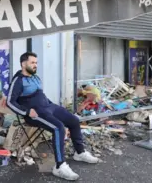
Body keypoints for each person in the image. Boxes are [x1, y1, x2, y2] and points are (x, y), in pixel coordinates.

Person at [7, 52, 99, 181]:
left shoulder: (36, 77)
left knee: (73, 120)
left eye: (36, 63)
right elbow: (10, 102)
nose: (35, 65)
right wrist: (27, 112)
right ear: (23, 64)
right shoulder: (18, 80)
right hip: (36, 113)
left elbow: (40, 95)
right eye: (32, 62)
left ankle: (80, 152)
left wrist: (50, 104)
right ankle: (60, 166)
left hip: (49, 107)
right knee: (58, 128)